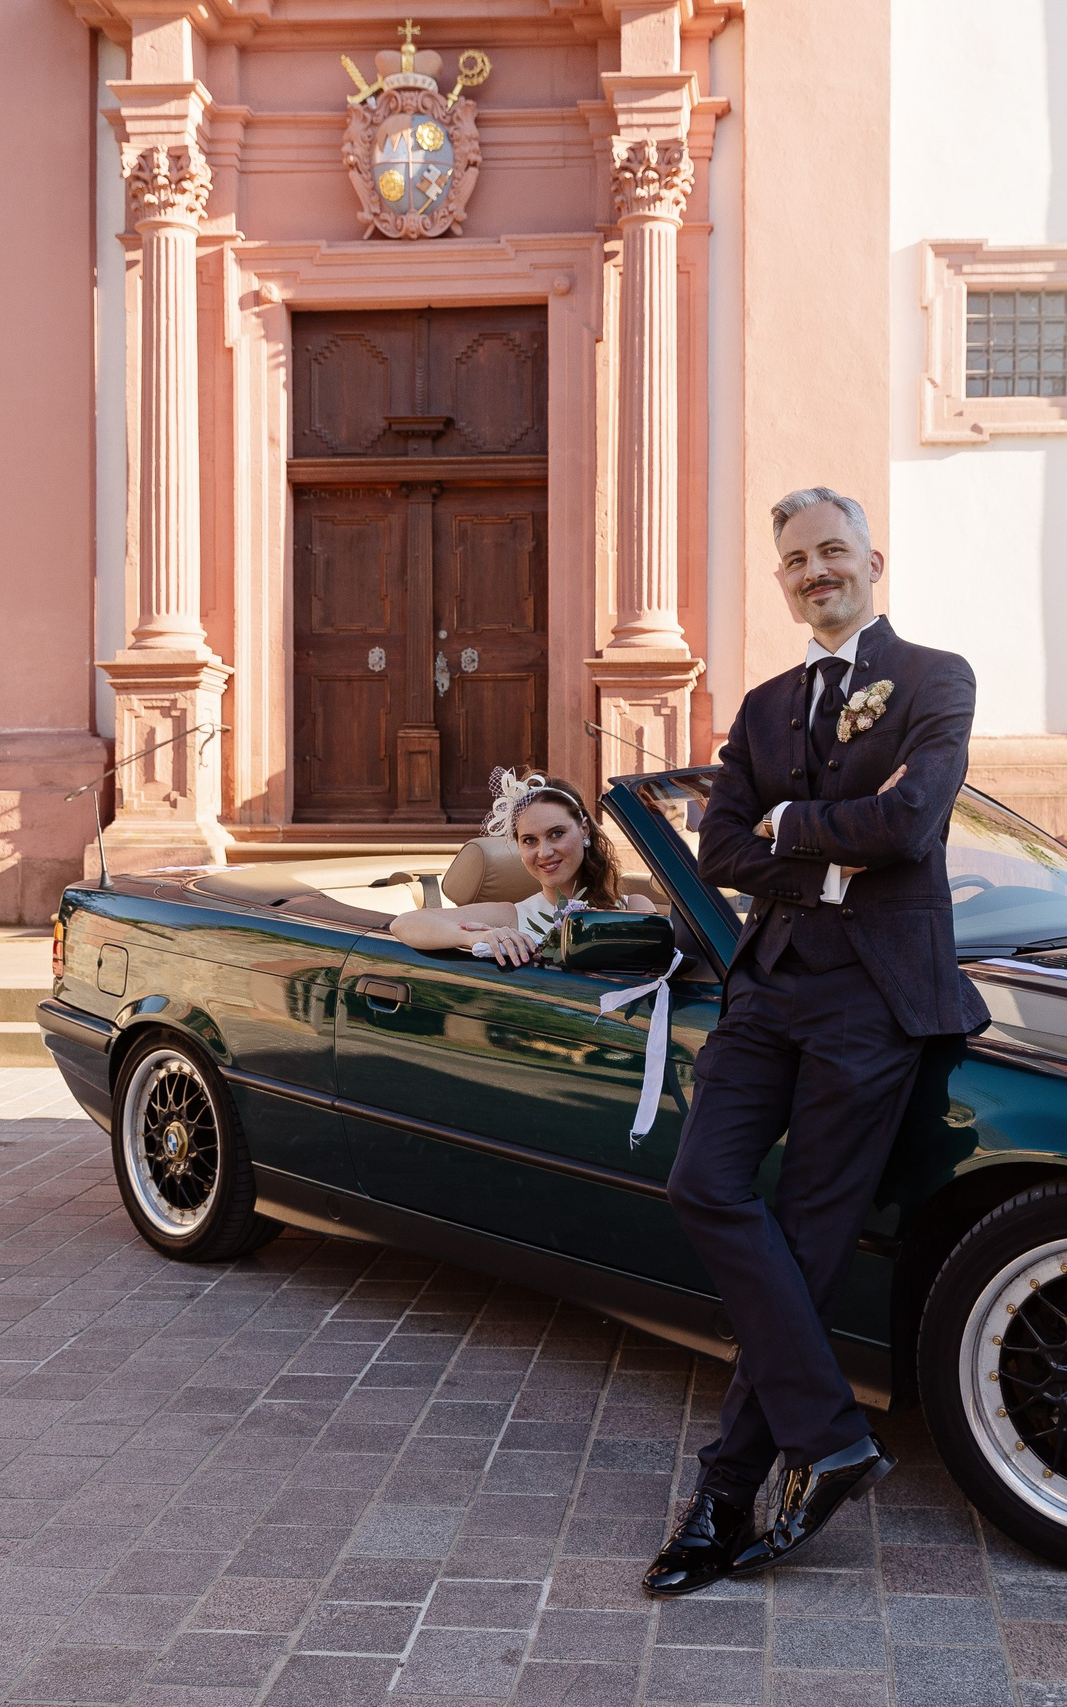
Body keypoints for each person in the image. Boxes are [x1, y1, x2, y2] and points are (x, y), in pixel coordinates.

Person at [644, 486, 986, 1598]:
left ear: (872, 562)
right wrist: (830, 856)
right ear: (783, 579)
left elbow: (912, 823)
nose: (814, 572)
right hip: (769, 986)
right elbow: (719, 849)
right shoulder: (760, 706)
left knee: (810, 1237)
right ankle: (833, 1437)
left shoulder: (934, 678)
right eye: (795, 560)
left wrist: (790, 825)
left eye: (832, 551)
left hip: (874, 999)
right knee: (702, 1184)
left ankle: (723, 1494)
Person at [393, 769, 653, 967]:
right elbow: (405, 923)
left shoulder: (633, 907)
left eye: (557, 833)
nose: (544, 852)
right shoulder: (511, 917)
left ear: (584, 829)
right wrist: (474, 938)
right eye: (529, 840)